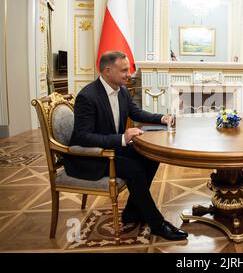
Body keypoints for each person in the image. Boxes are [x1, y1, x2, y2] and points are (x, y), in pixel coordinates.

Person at [64, 50, 188, 241]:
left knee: (151, 157)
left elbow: (136, 112)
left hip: (112, 150)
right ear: (107, 71)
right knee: (134, 169)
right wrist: (122, 138)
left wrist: (162, 118)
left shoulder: (121, 90)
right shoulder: (87, 96)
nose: (128, 74)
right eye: (123, 70)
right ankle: (157, 224)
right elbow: (83, 137)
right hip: (89, 157)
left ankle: (132, 212)